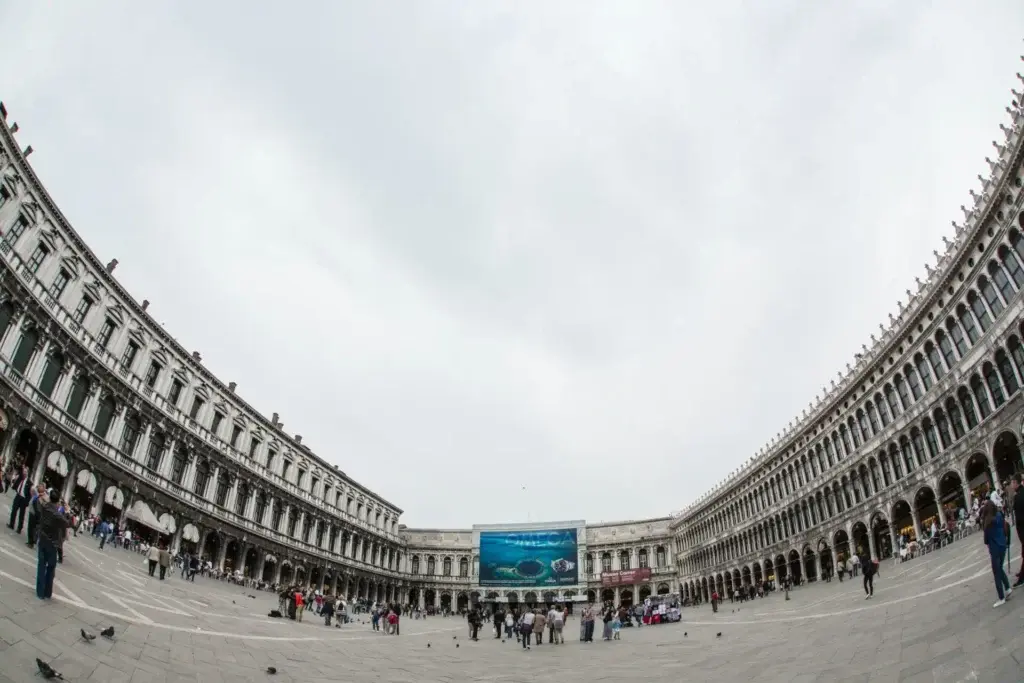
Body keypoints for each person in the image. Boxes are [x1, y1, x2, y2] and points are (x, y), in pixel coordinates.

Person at [35, 489, 68, 599]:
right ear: (58, 501)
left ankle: (40, 592)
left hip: (42, 538)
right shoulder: (57, 514)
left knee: (41, 565)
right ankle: (47, 592)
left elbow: (39, 502)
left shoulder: (45, 507)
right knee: (51, 567)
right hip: (52, 543)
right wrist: (67, 511)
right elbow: (68, 523)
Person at [982, 499, 1013, 608]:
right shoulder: (999, 515)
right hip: (1003, 545)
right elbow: (1006, 526)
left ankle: (1001, 597)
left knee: (996, 572)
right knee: (999, 568)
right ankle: (1007, 588)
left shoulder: (988, 522)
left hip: (995, 548)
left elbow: (986, 540)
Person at [6, 465, 31, 534]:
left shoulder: (29, 482)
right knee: (14, 510)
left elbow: (29, 495)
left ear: (28, 473)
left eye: (25, 472)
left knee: (21, 514)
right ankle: (11, 525)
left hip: (23, 499)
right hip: (18, 496)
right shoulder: (20, 478)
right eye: (24, 471)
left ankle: (19, 528)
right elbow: (19, 470)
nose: (24, 473)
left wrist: (26, 502)